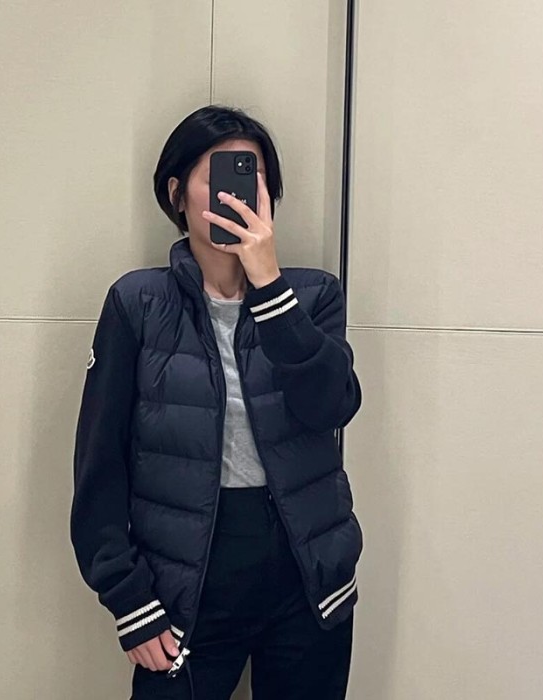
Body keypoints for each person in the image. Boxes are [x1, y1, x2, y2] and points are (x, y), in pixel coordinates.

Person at [70, 105, 363, 700]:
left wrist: (270, 287)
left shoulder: (312, 296)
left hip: (306, 582)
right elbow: (99, 462)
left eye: (252, 177)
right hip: (187, 586)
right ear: (177, 194)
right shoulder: (138, 303)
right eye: (220, 176)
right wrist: (128, 599)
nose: (238, 193)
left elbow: (333, 406)